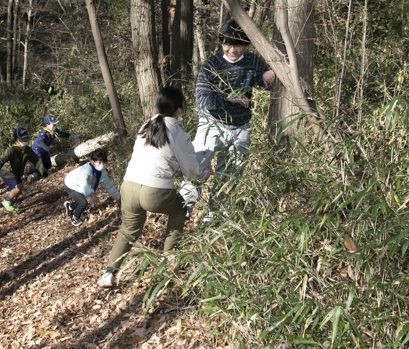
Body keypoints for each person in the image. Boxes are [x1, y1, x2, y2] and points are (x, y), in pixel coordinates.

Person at [97, 87, 211, 288]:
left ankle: (108, 274)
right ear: (178, 109)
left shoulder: (147, 124)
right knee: (179, 211)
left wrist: (176, 168)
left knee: (128, 231)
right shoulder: (178, 133)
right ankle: (169, 262)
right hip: (155, 191)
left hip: (129, 186)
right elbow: (193, 172)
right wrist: (206, 172)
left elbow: (155, 155)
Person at [180, 19, 276, 223]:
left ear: (246, 45)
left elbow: (265, 83)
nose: (233, 49)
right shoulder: (212, 65)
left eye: (238, 44)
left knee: (231, 175)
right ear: (221, 41)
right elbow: (201, 100)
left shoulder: (253, 61)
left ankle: (214, 219)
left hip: (240, 127)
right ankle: (183, 209)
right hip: (212, 124)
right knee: (197, 165)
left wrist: (270, 75)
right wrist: (227, 98)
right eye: (228, 44)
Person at [0, 127, 41, 212]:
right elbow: (1, 160)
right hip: (7, 172)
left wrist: (43, 170)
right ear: (16, 139)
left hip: (16, 173)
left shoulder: (26, 149)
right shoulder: (11, 150)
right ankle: (6, 201)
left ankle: (8, 207)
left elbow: (36, 160)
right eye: (22, 138)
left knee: (17, 191)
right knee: (19, 187)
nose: (25, 140)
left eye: (26, 138)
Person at [63, 148, 121, 227]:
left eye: (103, 163)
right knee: (83, 203)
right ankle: (75, 218)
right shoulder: (86, 170)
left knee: (80, 200)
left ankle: (69, 206)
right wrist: (92, 194)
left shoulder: (102, 172)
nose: (102, 165)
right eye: (99, 162)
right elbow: (83, 184)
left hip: (80, 187)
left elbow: (109, 186)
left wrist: (118, 198)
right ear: (91, 161)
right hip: (71, 184)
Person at [30, 115, 82, 179]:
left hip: (45, 149)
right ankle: (27, 172)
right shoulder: (43, 132)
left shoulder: (55, 131)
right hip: (37, 149)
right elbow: (40, 141)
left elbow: (64, 134)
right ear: (47, 125)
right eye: (53, 124)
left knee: (48, 165)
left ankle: (37, 172)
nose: (55, 126)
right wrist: (46, 148)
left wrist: (75, 136)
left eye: (55, 124)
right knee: (38, 164)